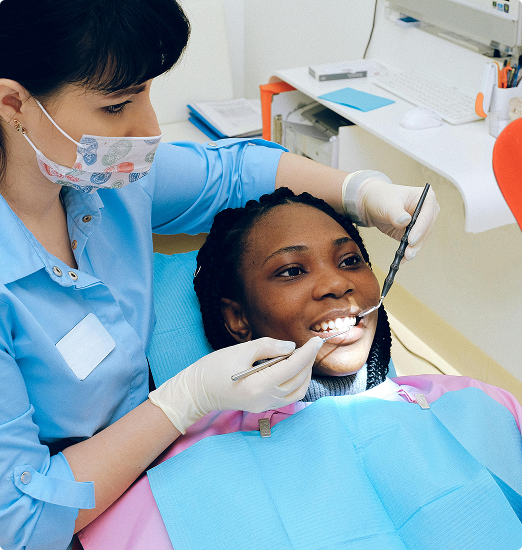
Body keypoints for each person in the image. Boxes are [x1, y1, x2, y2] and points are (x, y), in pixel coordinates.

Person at [0, 1, 440, 548]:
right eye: (117, 106)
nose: (150, 128)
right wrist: (185, 401)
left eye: (148, 91)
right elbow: (21, 522)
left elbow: (235, 172)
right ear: (14, 103)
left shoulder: (106, 177)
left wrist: (362, 193)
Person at [79, 188, 522, 549]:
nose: (337, 283)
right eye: (291, 271)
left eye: (350, 260)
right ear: (237, 319)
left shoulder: (482, 405)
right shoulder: (176, 480)